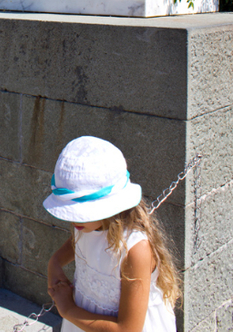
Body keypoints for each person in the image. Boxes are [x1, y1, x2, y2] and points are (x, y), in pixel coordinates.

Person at [44, 136, 179, 332]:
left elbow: (128, 329)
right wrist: (55, 261)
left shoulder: (135, 250)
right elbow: (79, 241)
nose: (74, 221)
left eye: (80, 213)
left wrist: (68, 310)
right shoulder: (88, 225)